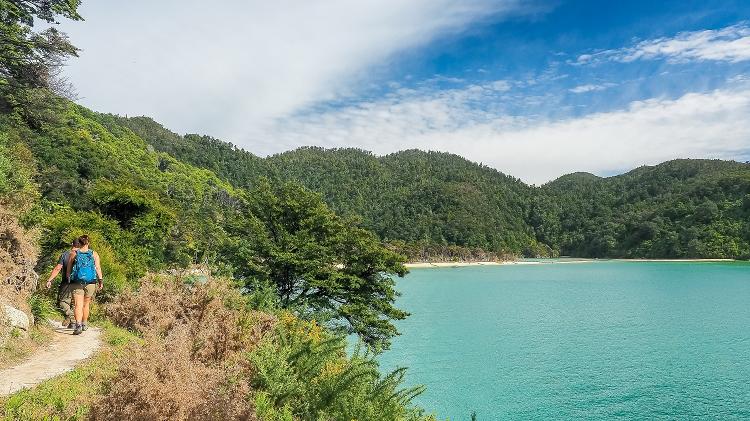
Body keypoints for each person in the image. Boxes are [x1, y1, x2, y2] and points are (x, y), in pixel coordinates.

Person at [66, 235, 103, 335]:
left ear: (79, 243)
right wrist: (100, 280)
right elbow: (98, 268)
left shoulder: (74, 253)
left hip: (77, 282)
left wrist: (68, 277)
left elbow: (69, 267)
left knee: (78, 305)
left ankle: (78, 326)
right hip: (91, 282)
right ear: (88, 243)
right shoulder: (94, 254)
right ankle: (84, 324)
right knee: (86, 304)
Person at [45, 238, 82, 328]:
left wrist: (49, 279)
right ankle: (76, 323)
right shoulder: (84, 254)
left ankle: (73, 320)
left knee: (62, 302)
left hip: (67, 282)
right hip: (81, 283)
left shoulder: (66, 254)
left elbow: (58, 268)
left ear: (72, 244)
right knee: (76, 304)